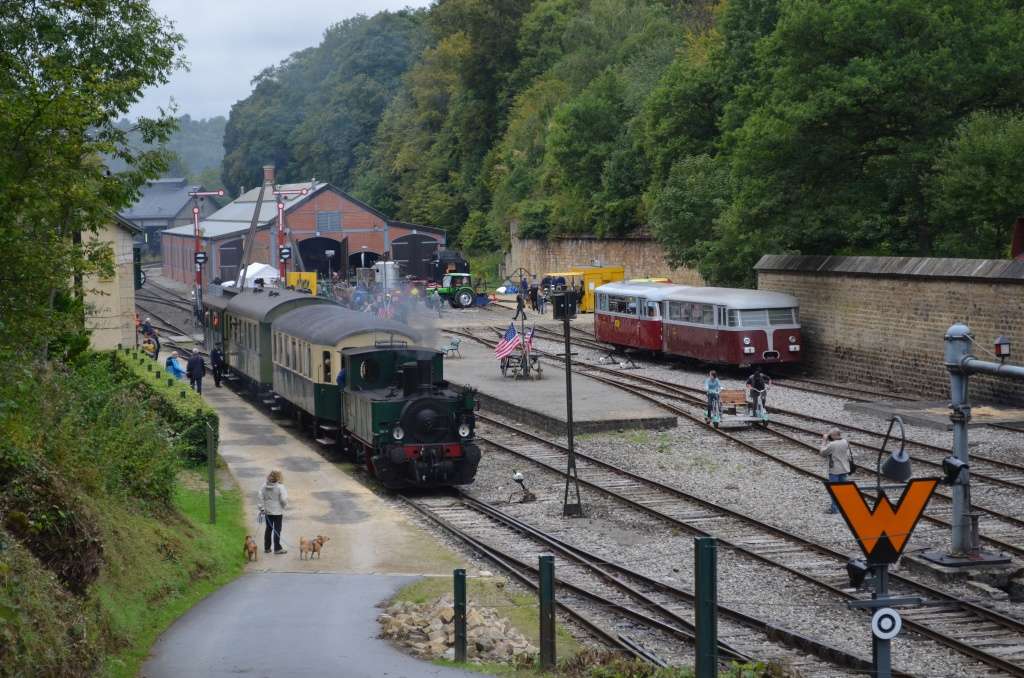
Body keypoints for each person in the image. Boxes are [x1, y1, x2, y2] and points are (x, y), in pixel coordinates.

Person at [820, 428, 853, 514]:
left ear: (834, 435)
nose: (830, 437)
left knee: (834, 490)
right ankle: (844, 508)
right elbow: (848, 454)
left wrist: (824, 441)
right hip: (845, 469)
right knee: (843, 490)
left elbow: (822, 453)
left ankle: (834, 509)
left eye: (830, 435)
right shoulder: (845, 441)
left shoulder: (832, 444)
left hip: (834, 470)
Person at [258, 470, 289, 554]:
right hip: (278, 512)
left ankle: (267, 548)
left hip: (268, 511)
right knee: (277, 530)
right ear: (279, 477)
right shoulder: (280, 487)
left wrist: (261, 508)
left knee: (268, 529)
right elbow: (283, 499)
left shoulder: (264, 485)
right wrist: (284, 505)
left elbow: (260, 497)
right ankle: (277, 548)